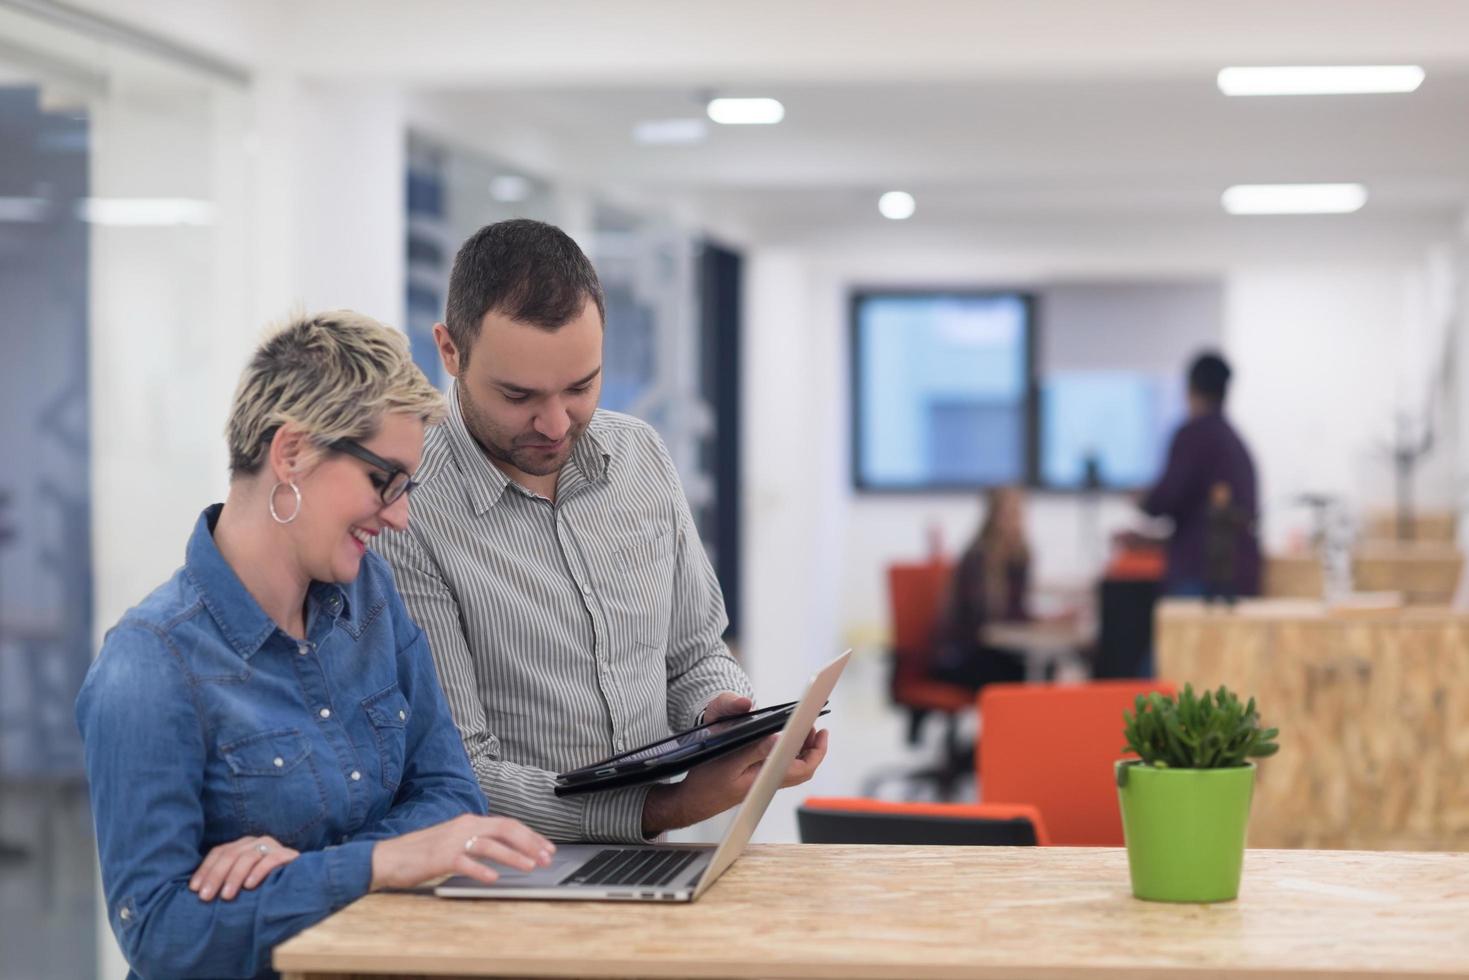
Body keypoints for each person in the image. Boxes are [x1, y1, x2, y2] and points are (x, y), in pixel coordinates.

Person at [76, 313, 555, 980]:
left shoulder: (370, 599)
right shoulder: (149, 664)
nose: (398, 515)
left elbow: (453, 799)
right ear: (292, 452)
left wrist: (302, 874)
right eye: (384, 480)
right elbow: (161, 936)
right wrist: (380, 863)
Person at [375, 219, 827, 843]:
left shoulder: (639, 455)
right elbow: (458, 770)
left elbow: (694, 654)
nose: (556, 424)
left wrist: (718, 715)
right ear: (449, 351)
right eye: (519, 395)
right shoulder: (405, 511)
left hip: (651, 862)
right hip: (510, 878)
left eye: (582, 386)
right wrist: (661, 809)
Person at [1141, 351, 1260, 598]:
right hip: (1242, 575)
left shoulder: (1191, 436)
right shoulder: (1235, 442)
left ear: (1190, 389)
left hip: (1200, 577)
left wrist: (1142, 500)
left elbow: (1164, 500)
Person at [930, 486, 1030, 690]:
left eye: (1019, 514)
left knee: (1032, 670)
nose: (1017, 521)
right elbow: (985, 620)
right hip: (964, 654)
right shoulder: (977, 558)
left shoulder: (1018, 557)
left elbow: (1016, 611)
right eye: (1010, 514)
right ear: (993, 517)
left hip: (995, 653)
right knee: (1016, 675)